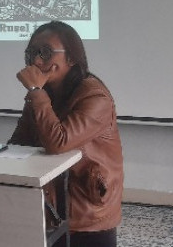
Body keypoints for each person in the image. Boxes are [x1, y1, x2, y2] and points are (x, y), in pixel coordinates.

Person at [8, 21, 123, 247]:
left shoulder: (95, 96)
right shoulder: (43, 94)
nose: (36, 61)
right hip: (48, 202)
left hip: (86, 210)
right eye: (31, 53)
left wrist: (36, 92)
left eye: (45, 53)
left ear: (71, 58)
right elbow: (19, 142)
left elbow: (58, 143)